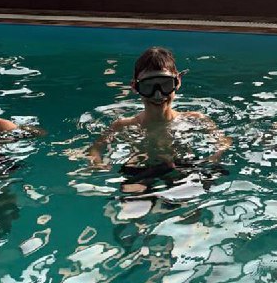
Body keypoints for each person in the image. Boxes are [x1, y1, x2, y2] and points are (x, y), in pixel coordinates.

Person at [88, 46, 229, 190]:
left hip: (185, 168)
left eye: (165, 85)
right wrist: (98, 165)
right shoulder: (122, 125)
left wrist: (213, 157)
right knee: (130, 194)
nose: (158, 95)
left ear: (178, 82)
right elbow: (94, 150)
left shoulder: (196, 120)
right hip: (141, 170)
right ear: (135, 87)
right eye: (148, 87)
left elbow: (224, 142)